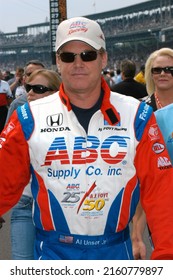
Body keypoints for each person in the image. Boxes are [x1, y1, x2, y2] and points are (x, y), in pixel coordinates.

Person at [0, 16, 173, 260]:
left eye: (88, 55)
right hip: (52, 254)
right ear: (58, 62)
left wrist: (166, 258)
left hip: (115, 252)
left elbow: (162, 192)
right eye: (68, 56)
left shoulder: (138, 115)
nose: (78, 63)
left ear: (103, 58)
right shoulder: (29, 116)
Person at [8, 67, 61, 260]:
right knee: (23, 266)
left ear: (56, 92)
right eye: (29, 87)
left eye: (38, 88)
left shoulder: (71, 123)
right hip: (24, 201)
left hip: (56, 205)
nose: (30, 93)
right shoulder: (19, 116)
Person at [132, 47, 173, 259]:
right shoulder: (142, 111)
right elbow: (140, 174)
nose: (163, 74)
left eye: (169, 69)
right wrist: (136, 231)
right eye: (157, 70)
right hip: (158, 200)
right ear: (150, 74)